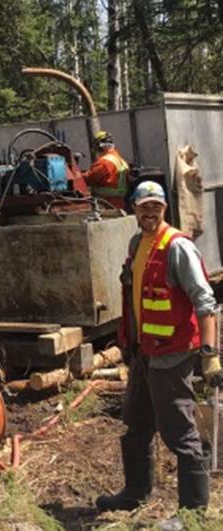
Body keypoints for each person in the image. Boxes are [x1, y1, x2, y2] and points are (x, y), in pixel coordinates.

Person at [95, 180, 222, 531]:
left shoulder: (177, 247)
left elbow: (205, 302)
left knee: (180, 433)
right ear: (134, 210)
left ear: (165, 209)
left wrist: (210, 354)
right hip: (143, 354)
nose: (150, 212)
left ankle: (193, 513)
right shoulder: (138, 244)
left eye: (156, 206)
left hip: (172, 354)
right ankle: (135, 493)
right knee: (136, 425)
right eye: (143, 206)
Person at [83, 130, 129, 210]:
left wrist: (79, 175)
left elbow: (90, 179)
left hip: (107, 203)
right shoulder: (120, 160)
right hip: (119, 203)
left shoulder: (104, 162)